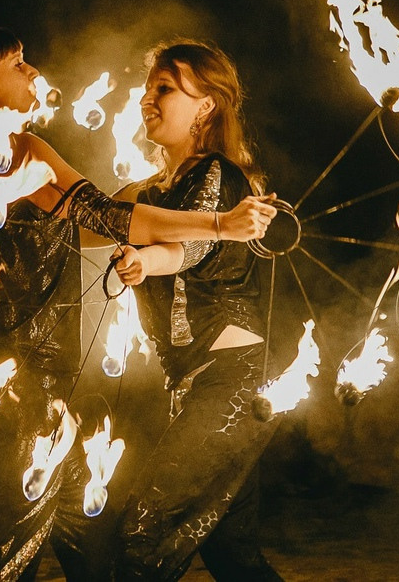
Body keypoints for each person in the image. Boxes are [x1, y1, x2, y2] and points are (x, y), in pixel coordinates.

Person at [0, 26, 277, 582]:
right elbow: (110, 219)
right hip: (23, 395)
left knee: (101, 548)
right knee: (11, 565)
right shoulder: (20, 150)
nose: (34, 72)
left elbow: (98, 237)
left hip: (43, 394)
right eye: (18, 65)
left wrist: (153, 249)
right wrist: (223, 223)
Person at [109, 40, 284, 581]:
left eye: (164, 88)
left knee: (142, 533)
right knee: (235, 558)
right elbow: (98, 220)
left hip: (230, 378)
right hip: (198, 381)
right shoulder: (156, 188)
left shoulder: (215, 174)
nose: (147, 99)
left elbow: (190, 246)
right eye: (147, 89)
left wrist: (146, 260)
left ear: (206, 106)